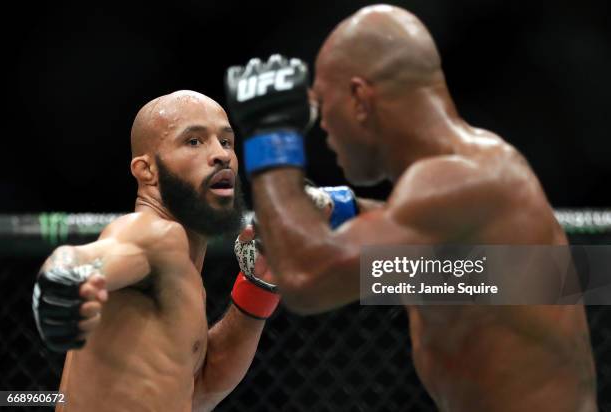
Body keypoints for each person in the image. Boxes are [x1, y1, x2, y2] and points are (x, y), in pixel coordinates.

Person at [224, 5, 597, 412]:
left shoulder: (462, 178)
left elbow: (307, 280)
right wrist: (339, 209)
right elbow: (428, 261)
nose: (324, 128)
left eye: (323, 106)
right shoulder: (470, 187)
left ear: (360, 99)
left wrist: (269, 139)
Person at [32, 90, 280, 412]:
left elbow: (196, 392)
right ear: (146, 170)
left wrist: (257, 288)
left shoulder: (184, 272)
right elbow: (94, 257)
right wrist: (64, 276)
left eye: (226, 141)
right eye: (194, 141)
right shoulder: (153, 234)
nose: (220, 154)